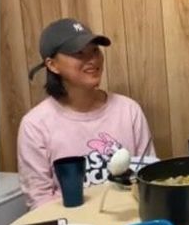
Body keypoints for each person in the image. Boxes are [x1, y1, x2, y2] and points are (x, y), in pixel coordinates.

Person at [18, 18, 155, 209]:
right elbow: (39, 200)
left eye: (95, 50)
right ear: (52, 65)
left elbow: (149, 177)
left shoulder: (129, 110)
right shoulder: (35, 125)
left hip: (127, 218)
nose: (92, 60)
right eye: (79, 53)